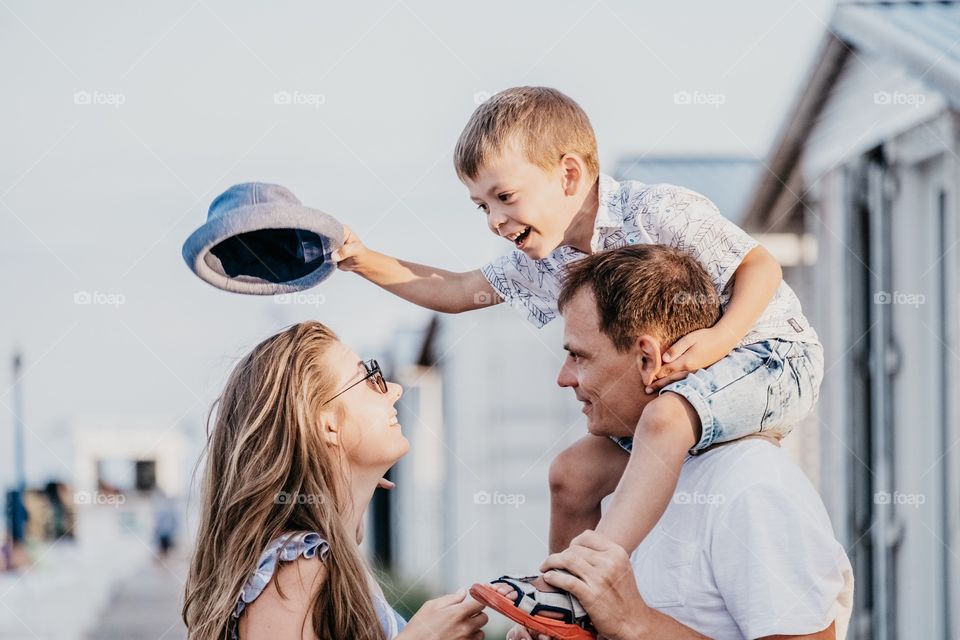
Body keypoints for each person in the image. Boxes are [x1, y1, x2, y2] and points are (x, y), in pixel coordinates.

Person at [333, 86, 824, 617]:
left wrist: (720, 338)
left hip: (767, 358)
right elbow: (455, 290)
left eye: (505, 197)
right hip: (679, 383)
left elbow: (761, 267)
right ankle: (562, 604)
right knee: (571, 474)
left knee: (663, 418)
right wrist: (362, 259)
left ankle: (590, 575)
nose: (494, 221)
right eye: (482, 206)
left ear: (568, 174)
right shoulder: (546, 257)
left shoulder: (656, 210)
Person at [477, 246, 851, 640]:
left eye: (579, 357)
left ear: (646, 359)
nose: (564, 378)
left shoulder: (751, 487)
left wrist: (635, 624)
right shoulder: (629, 480)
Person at [182, 322, 488, 640]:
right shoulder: (296, 568)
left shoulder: (319, 563)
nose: (394, 389)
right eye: (370, 378)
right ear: (326, 424)